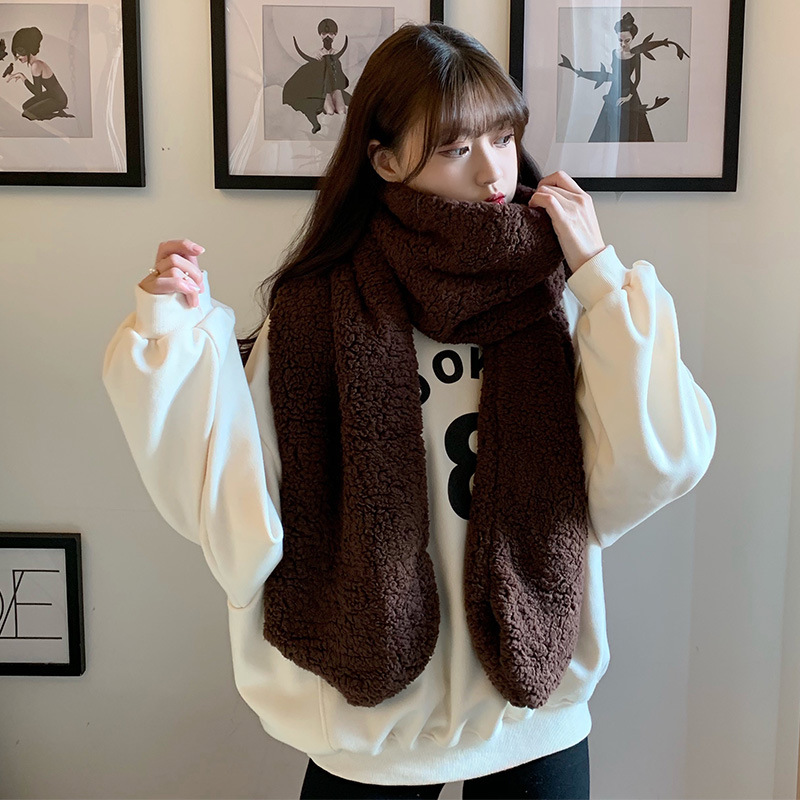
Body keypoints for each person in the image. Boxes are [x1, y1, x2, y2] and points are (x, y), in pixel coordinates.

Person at [103, 22, 716, 800]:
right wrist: (169, 331)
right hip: (369, 722)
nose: (493, 172)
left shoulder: (554, 297)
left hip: (536, 712)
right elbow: (229, 491)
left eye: (503, 138)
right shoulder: (319, 311)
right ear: (385, 160)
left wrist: (598, 272)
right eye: (456, 148)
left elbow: (666, 454)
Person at [558, 12, 688, 142]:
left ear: (632, 38)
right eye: (620, 40)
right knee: (608, 123)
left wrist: (628, 96)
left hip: (629, 91)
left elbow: (638, 78)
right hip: (614, 90)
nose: (623, 44)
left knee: (634, 125)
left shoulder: (636, 55)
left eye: (627, 40)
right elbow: (613, 73)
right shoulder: (614, 53)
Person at [6, 26, 74, 121]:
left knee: (27, 114)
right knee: (25, 106)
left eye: (20, 51)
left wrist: (22, 76)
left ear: (29, 50)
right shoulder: (36, 64)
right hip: (51, 95)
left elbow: (38, 93)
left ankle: (57, 114)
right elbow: (40, 94)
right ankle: (53, 110)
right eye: (16, 52)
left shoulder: (36, 66)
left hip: (59, 100)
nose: (17, 55)